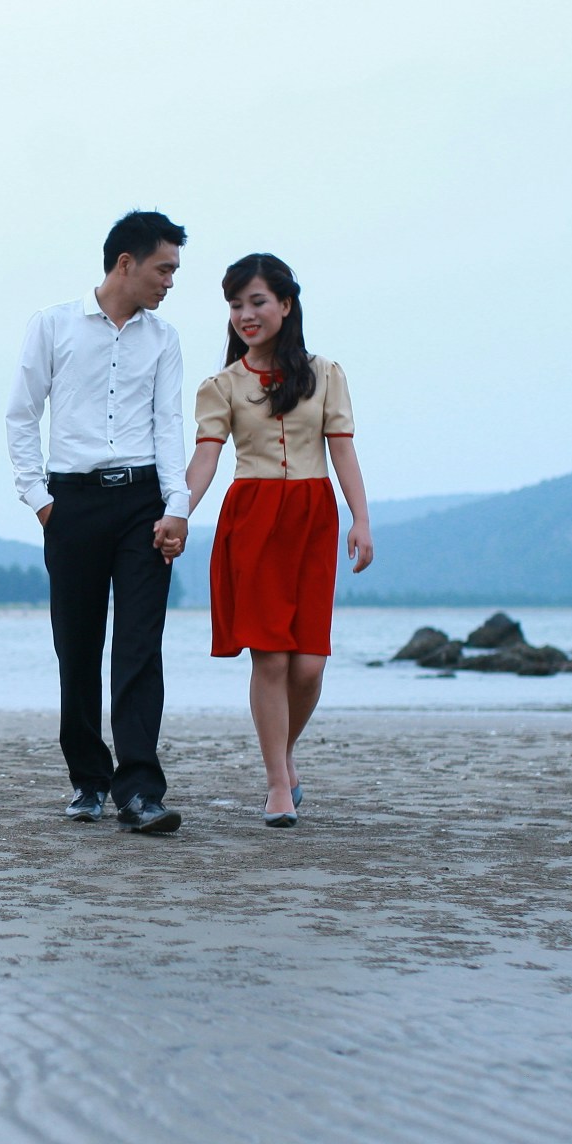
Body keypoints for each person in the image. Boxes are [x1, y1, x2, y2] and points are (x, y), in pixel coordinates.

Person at [5, 210, 194, 834]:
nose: (170, 281)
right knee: (78, 645)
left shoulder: (163, 339)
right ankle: (88, 778)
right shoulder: (53, 325)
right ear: (126, 264)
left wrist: (176, 507)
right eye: (164, 268)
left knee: (140, 645)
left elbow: (169, 426)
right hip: (73, 503)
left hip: (143, 501)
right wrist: (41, 500)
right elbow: (21, 414)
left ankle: (139, 789)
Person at [180, 253, 373, 826]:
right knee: (271, 658)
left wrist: (361, 519)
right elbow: (206, 459)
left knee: (310, 664)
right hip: (254, 518)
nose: (246, 314)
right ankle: (276, 787)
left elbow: (342, 451)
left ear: (286, 305)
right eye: (236, 305)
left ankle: (283, 754)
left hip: (313, 518)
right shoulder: (222, 385)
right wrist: (179, 514)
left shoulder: (326, 373)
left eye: (257, 301)